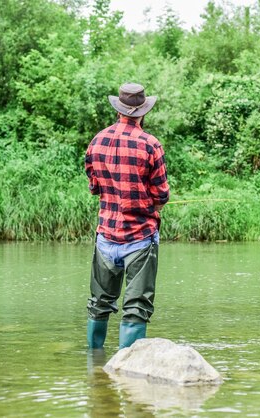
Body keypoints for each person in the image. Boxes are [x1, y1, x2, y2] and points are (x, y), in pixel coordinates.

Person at [84, 83, 170, 350]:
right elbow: (161, 196)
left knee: (99, 304)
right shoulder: (151, 145)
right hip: (140, 239)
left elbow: (94, 187)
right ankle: (127, 374)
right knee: (136, 309)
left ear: (119, 109)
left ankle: (94, 369)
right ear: (142, 112)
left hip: (106, 238)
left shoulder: (97, 141)